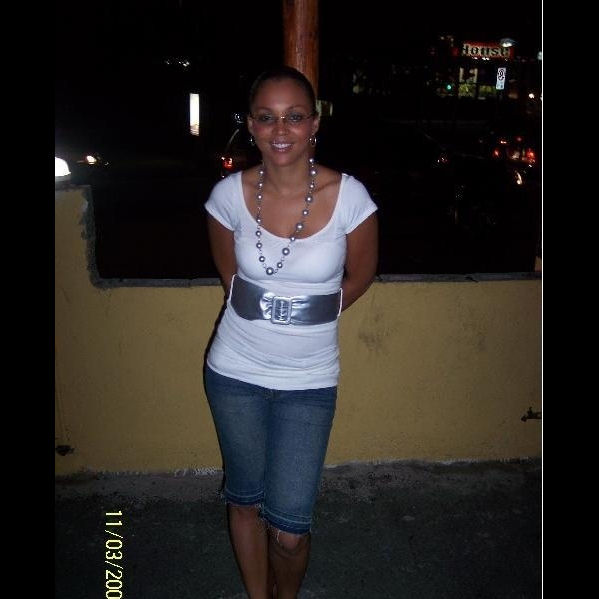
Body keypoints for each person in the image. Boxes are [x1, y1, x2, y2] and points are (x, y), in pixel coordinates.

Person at [203, 65, 378, 599]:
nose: (280, 130)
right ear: (251, 124)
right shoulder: (228, 195)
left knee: (290, 530)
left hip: (309, 380)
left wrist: (307, 312)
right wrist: (265, 308)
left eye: (294, 116)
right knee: (244, 500)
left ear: (315, 122)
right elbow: (231, 281)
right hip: (234, 372)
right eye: (267, 117)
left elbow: (361, 276)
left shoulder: (349, 196)